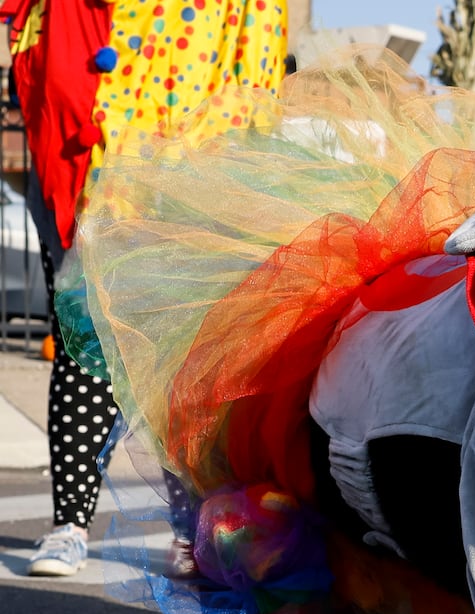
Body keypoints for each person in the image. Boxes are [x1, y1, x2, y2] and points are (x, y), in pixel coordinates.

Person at [11, 0, 290, 575]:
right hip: (85, 176)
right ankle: (69, 525)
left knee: (186, 360)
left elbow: (253, 85)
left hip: (187, 188)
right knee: (82, 352)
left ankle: (193, 525)